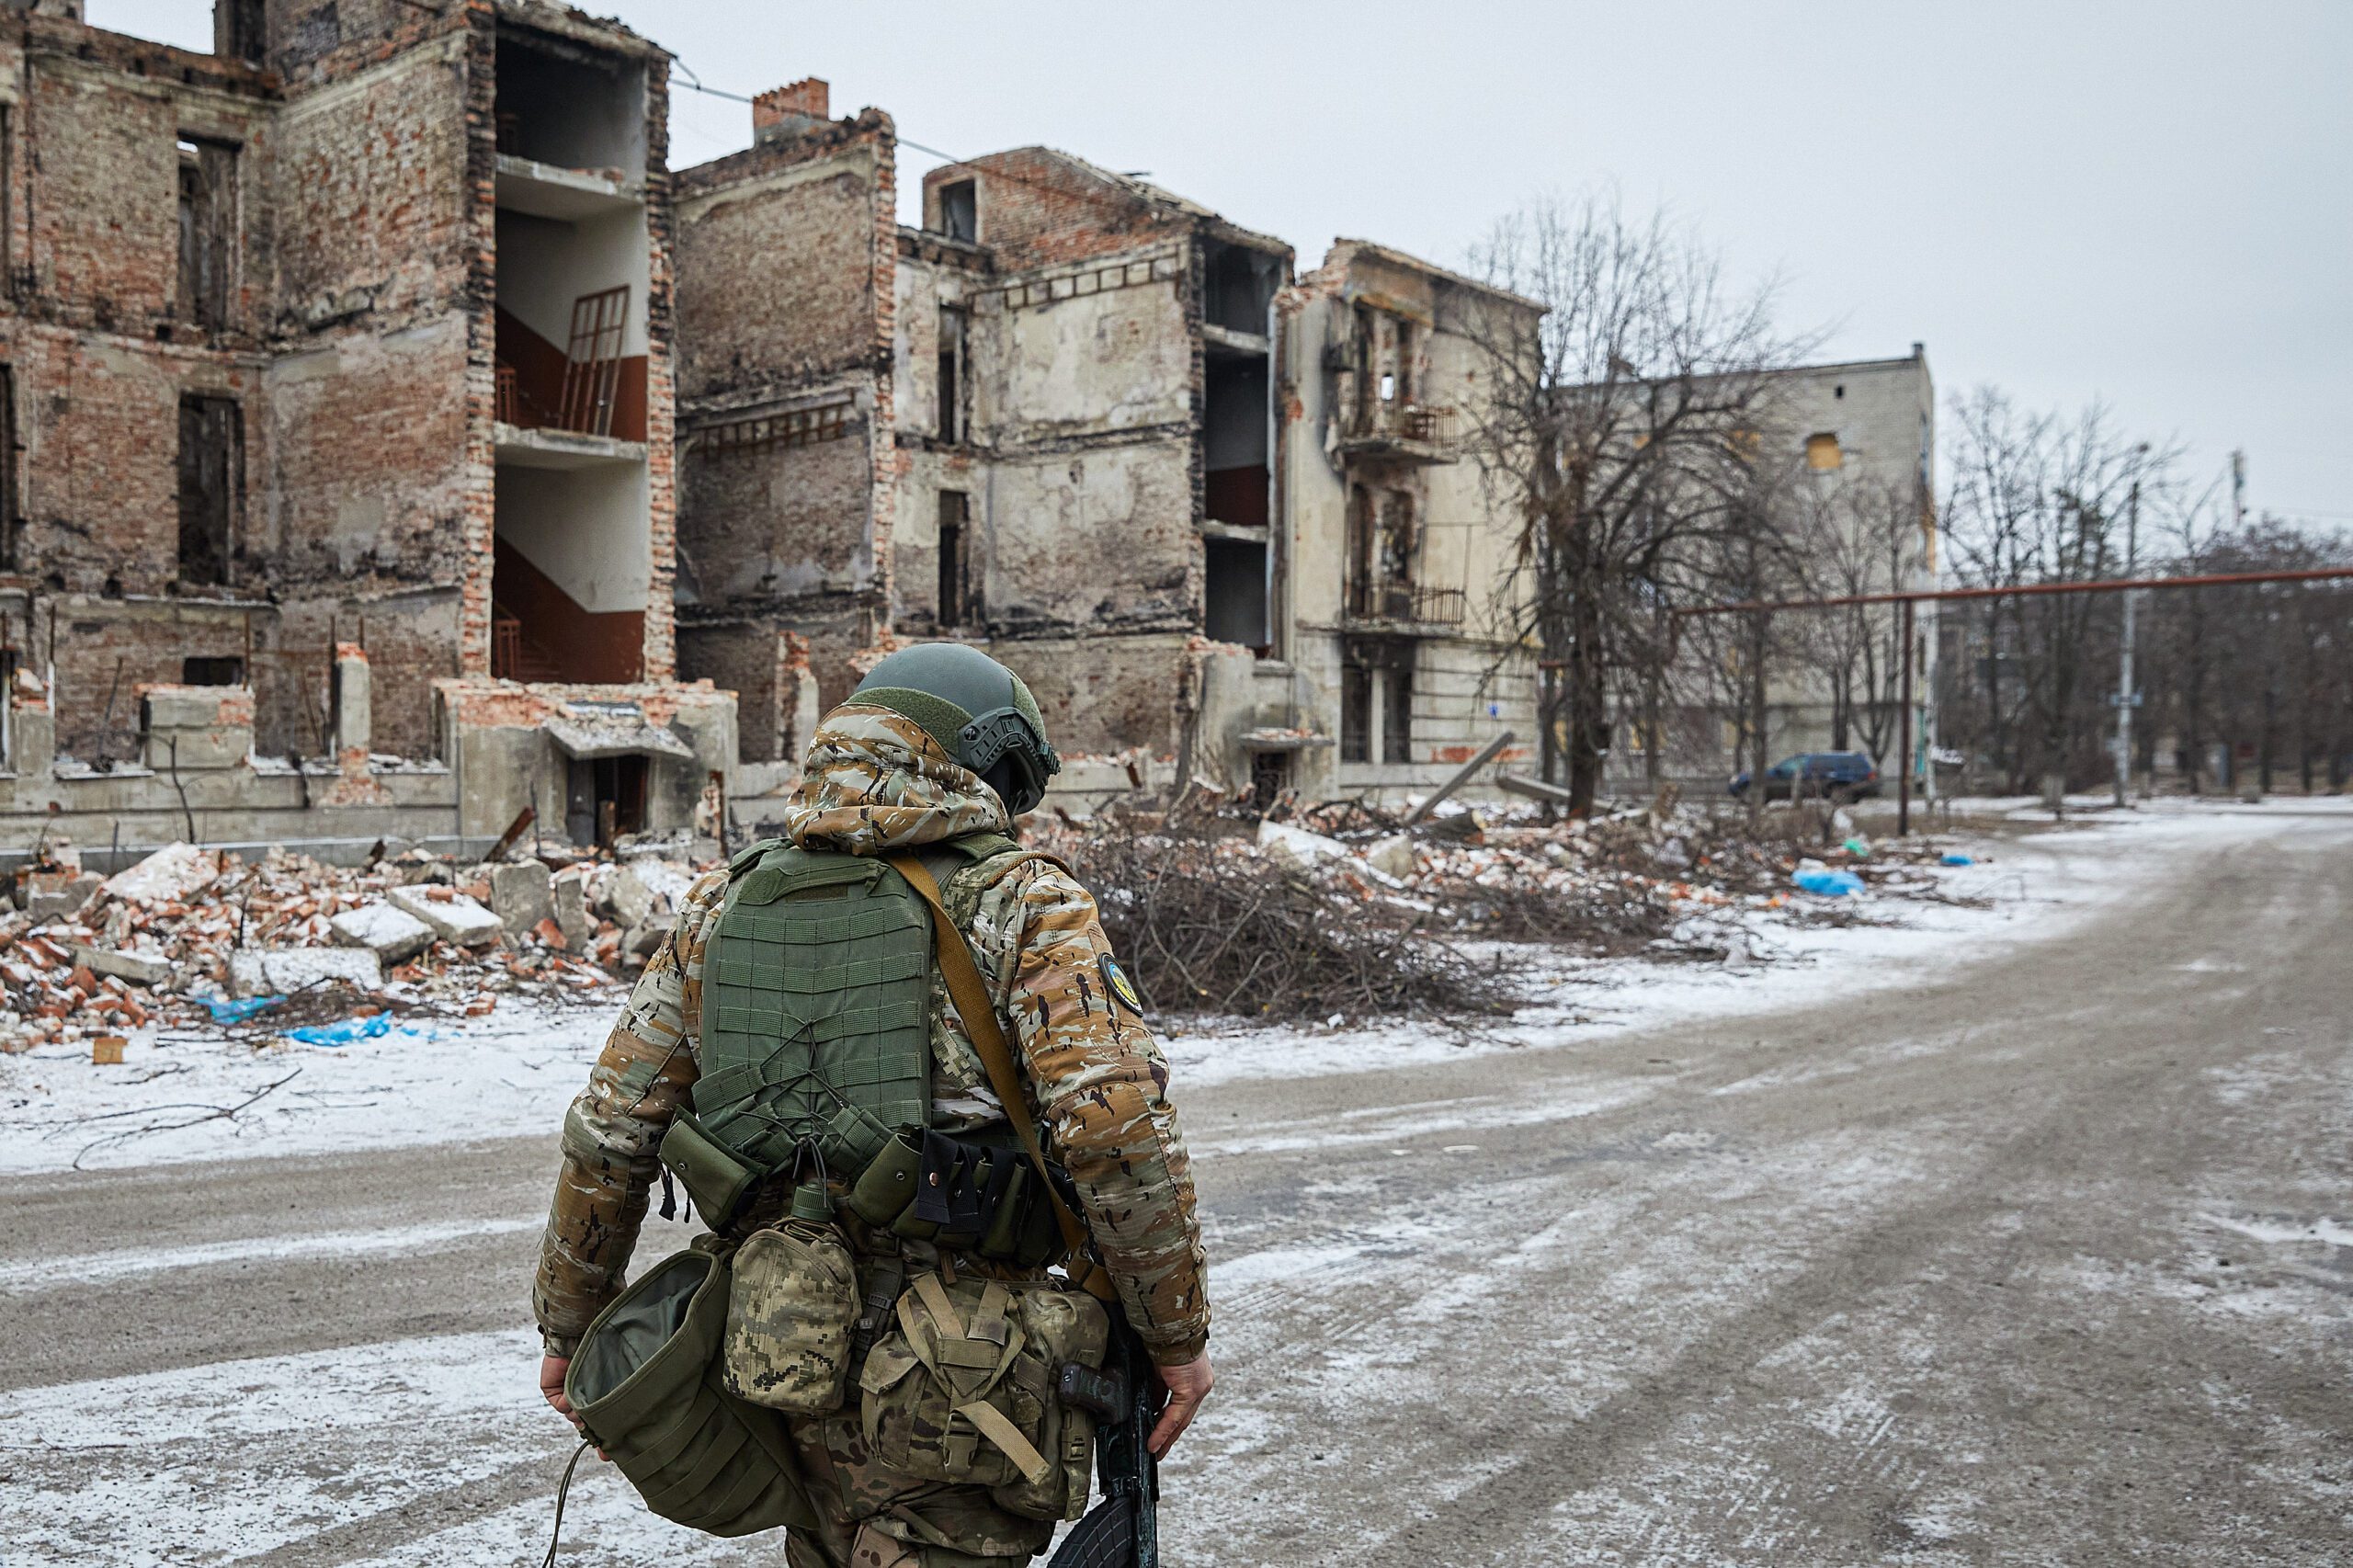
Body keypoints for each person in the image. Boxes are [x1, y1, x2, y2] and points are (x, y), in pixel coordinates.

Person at [530, 643, 1213, 1568]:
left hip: (779, 1343)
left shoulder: (720, 906)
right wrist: (1174, 1335)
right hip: (965, 1370)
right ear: (990, 763)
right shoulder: (1023, 902)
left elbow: (611, 1129)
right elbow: (1113, 1127)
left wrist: (571, 1324)